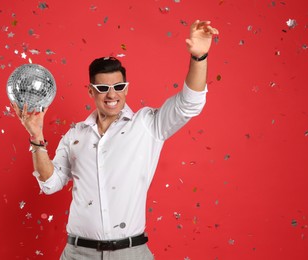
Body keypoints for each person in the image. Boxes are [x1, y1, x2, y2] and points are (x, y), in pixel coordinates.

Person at [13, 20, 219, 260]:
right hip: (78, 254)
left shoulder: (147, 125)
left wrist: (199, 58)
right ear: (91, 91)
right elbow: (50, 184)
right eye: (103, 88)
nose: (112, 94)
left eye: (118, 86)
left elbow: (189, 104)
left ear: (126, 89)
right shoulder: (75, 135)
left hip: (131, 253)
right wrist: (36, 137)